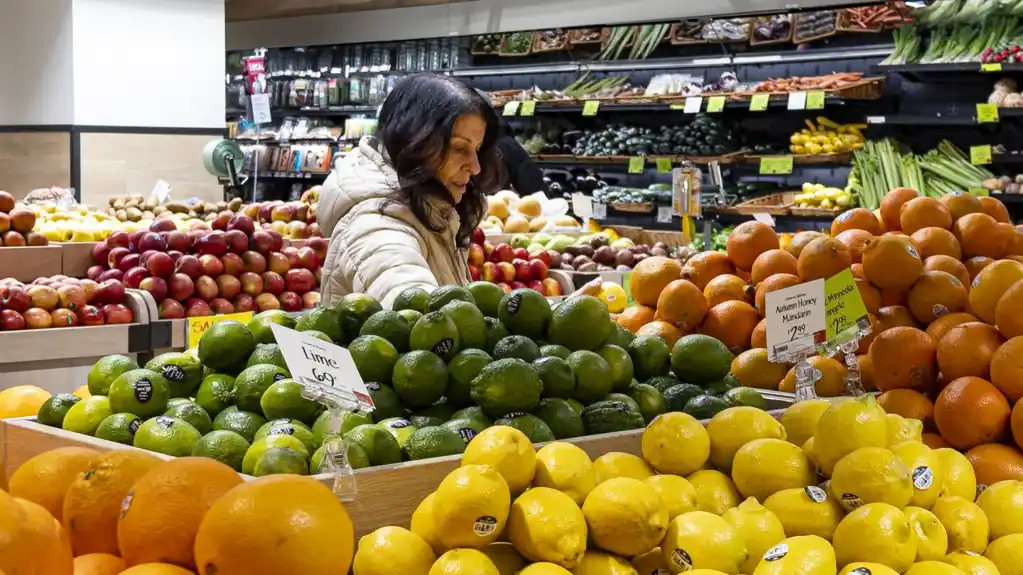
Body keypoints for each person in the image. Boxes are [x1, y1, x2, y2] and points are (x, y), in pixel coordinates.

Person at [317, 73, 504, 308]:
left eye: (477, 149)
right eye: (458, 148)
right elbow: (411, 301)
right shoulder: (376, 226)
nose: (475, 167)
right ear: (414, 142)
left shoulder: (433, 207)